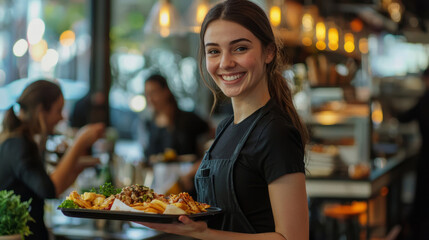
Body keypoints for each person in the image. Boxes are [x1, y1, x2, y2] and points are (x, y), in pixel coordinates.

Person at [139, 1, 309, 239]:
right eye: (214, 51)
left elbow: (293, 237)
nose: (225, 63)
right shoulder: (226, 128)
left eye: (240, 48)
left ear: (268, 52)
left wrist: (203, 233)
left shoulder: (276, 132)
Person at [0, 80, 105, 240]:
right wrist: (79, 142)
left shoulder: (24, 141)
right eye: (58, 110)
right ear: (41, 111)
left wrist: (77, 168)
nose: (62, 117)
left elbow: (52, 188)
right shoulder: (18, 144)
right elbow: (49, 189)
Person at [137, 74, 211, 194]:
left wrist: (195, 169)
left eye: (154, 92)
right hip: (160, 187)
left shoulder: (188, 119)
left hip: (187, 185)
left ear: (166, 91)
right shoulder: (150, 124)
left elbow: (215, 141)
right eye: (147, 94)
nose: (150, 98)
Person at [395, 67, 429, 239]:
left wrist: (391, 110)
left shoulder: (425, 99)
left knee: (423, 201)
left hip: (426, 157)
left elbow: (406, 116)